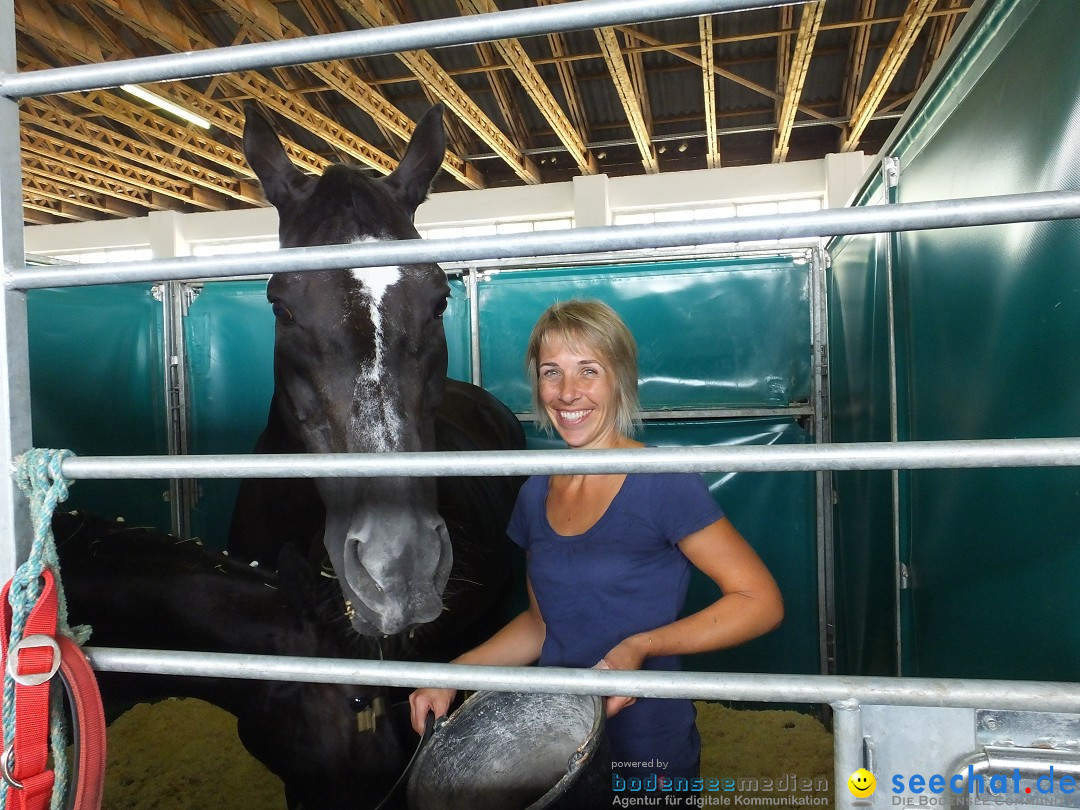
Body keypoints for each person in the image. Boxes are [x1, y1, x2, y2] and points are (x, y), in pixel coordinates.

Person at [410, 299, 783, 802]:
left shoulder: (663, 482)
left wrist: (641, 646)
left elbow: (758, 600)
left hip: (646, 742)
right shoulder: (535, 491)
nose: (568, 393)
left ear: (619, 380)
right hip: (552, 745)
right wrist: (452, 675)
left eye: (589, 371)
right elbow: (543, 626)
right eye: (551, 373)